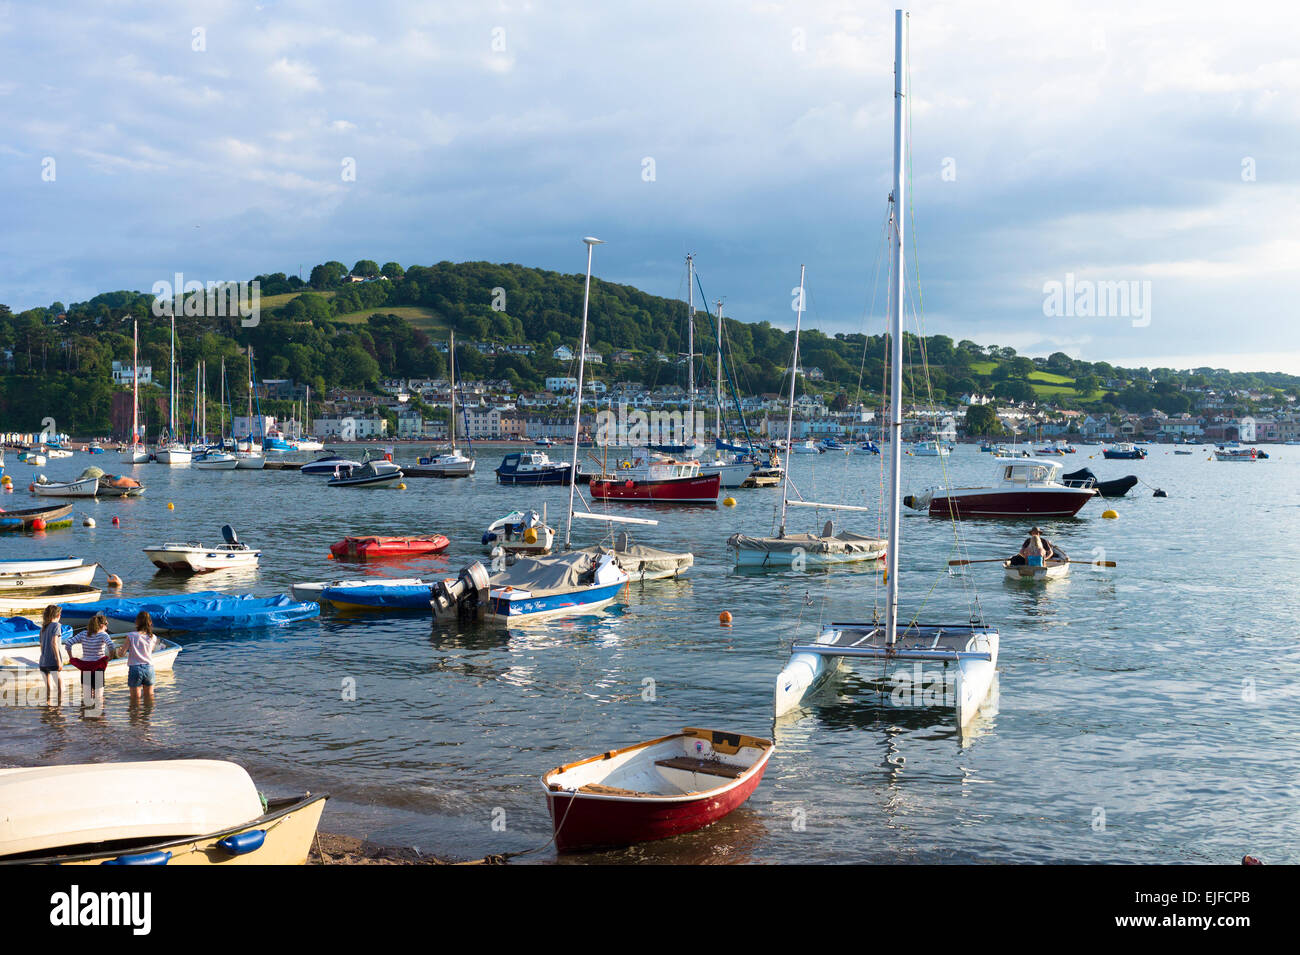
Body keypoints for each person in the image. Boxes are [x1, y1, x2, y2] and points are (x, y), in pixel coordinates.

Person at [65, 612, 114, 711]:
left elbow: (68, 643)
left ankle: (86, 720)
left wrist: (71, 657)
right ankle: (98, 719)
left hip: (85, 667)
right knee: (99, 697)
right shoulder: (103, 635)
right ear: (101, 625)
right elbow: (111, 646)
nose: (107, 627)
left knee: (87, 697)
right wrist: (110, 657)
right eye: (106, 625)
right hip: (98, 667)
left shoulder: (83, 634)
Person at [125, 610, 158, 704]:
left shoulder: (131, 635)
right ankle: (148, 716)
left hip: (135, 668)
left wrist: (119, 651)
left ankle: (136, 716)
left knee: (135, 699)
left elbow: (122, 653)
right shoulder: (153, 637)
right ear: (150, 623)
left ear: (136, 622)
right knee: (150, 696)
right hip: (149, 668)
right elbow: (149, 651)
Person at [37, 604, 66, 706]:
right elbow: (54, 643)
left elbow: (41, 645)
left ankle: (48, 705)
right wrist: (58, 661)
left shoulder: (43, 628)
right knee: (60, 686)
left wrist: (44, 657)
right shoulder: (57, 626)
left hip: (43, 661)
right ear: (58, 615)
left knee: (49, 686)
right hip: (53, 660)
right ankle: (59, 706)